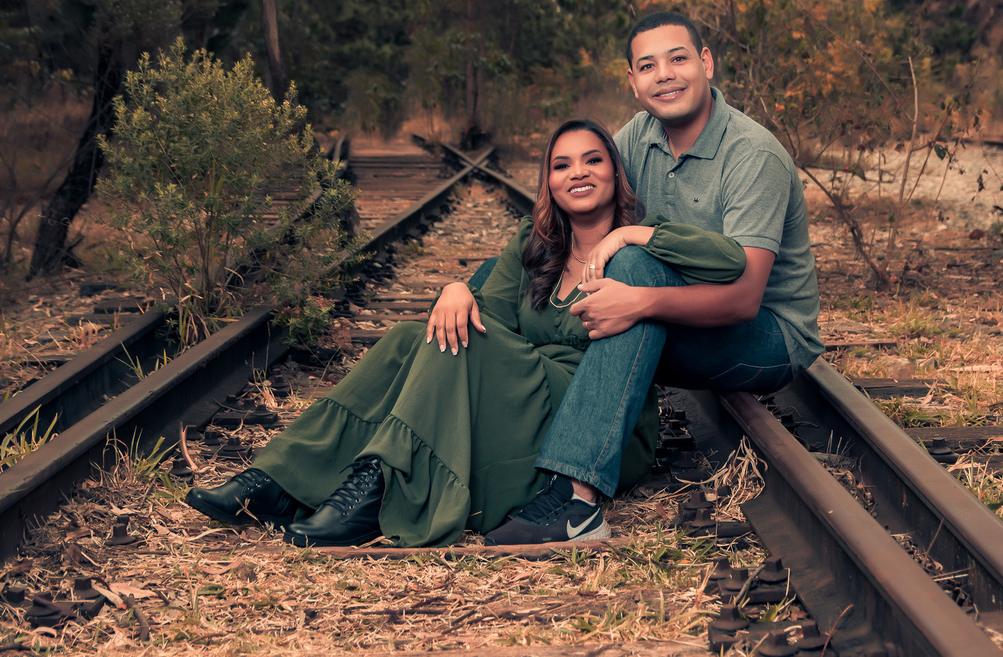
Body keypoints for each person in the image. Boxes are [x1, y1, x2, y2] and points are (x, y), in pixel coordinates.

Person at [185, 119, 748, 548]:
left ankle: (377, 487)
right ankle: (280, 480)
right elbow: (486, 317)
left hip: (592, 417)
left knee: (459, 342)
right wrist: (457, 289)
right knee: (410, 337)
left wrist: (629, 236)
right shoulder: (536, 243)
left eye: (592, 160)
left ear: (615, 173)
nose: (578, 173)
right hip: (522, 396)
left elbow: (729, 262)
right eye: (562, 165)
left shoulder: (646, 242)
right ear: (549, 183)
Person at [486, 12, 824, 546]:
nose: (664, 75)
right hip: (681, 311)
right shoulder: (637, 138)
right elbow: (562, 221)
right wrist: (469, 288)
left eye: (678, 58)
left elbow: (743, 299)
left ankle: (577, 503)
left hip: (766, 333)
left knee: (630, 270)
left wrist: (639, 300)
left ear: (706, 63)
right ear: (633, 82)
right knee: (580, 299)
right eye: (648, 66)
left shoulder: (752, 154)